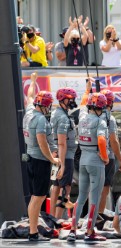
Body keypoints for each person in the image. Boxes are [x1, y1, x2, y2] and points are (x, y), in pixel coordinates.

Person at [23, 72, 60, 241]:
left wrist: (32, 82)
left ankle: (33, 229)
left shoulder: (30, 111)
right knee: (38, 197)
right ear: (44, 106)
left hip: (30, 157)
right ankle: (33, 232)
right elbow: (42, 142)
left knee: (35, 196)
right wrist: (52, 160)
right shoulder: (41, 120)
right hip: (39, 160)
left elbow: (30, 96)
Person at [80, 81, 121, 214]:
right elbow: (114, 141)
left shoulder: (88, 115)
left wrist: (87, 90)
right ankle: (98, 215)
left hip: (88, 155)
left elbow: (83, 105)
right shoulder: (109, 119)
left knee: (92, 188)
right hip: (106, 157)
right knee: (104, 188)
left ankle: (91, 215)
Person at [67, 92, 109, 243]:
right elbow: (102, 140)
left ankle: (73, 230)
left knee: (81, 197)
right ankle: (89, 231)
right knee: (95, 199)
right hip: (95, 162)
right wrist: (105, 157)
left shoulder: (83, 116)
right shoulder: (100, 122)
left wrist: (87, 89)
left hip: (83, 159)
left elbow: (83, 103)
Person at [50, 88, 78, 219]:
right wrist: (63, 165)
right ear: (63, 100)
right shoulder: (62, 117)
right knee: (65, 189)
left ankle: (52, 219)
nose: (73, 101)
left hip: (58, 156)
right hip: (64, 157)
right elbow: (62, 142)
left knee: (55, 186)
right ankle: (58, 220)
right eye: (70, 99)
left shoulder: (58, 113)